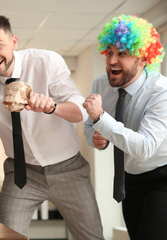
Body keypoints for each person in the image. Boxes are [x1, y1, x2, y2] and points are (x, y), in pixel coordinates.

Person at [0, 14, 104, 239]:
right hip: (21, 173)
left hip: (69, 169)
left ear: (14, 42)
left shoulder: (46, 62)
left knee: (92, 237)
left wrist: (52, 107)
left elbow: (80, 111)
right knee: (6, 236)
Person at [83, 15, 166, 240]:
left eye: (123, 53)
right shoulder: (101, 83)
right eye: (109, 52)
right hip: (129, 178)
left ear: (142, 58)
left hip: (161, 177)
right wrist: (95, 138)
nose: (112, 61)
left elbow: (145, 148)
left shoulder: (161, 92)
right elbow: (90, 127)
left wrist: (102, 118)